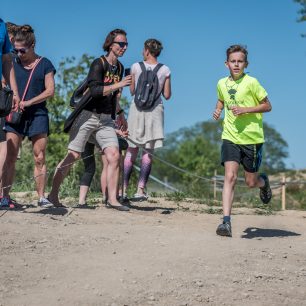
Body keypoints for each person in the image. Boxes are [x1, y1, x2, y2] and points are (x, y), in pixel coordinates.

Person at [48, 29, 131, 211]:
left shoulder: (119, 67)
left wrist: (121, 114)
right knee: (73, 156)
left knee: (114, 155)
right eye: (121, 44)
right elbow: (94, 91)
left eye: (126, 44)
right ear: (110, 44)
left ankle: (112, 199)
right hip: (87, 115)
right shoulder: (98, 64)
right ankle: (53, 195)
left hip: (105, 119)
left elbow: (114, 96)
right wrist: (119, 84)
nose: (124, 47)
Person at [213, 44, 272, 237]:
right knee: (230, 176)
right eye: (233, 61)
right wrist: (218, 109)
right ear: (226, 64)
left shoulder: (252, 82)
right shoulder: (221, 83)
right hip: (230, 136)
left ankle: (264, 183)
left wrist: (245, 109)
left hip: (252, 139)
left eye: (240, 61)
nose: (236, 64)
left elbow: (267, 105)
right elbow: (222, 98)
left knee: (250, 182)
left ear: (246, 64)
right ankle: (226, 222)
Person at [2, 25, 56, 208]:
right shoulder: (12, 63)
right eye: (15, 50)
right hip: (15, 114)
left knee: (39, 156)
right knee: (10, 156)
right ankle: (5, 197)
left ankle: (41, 197)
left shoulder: (45, 64)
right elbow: (4, 80)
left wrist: (29, 102)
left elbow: (50, 91)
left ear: (33, 45)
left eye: (22, 50)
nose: (18, 54)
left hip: (38, 114)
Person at [123, 38, 171, 201]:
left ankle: (123, 188)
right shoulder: (165, 69)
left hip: (137, 109)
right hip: (155, 111)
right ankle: (140, 189)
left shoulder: (136, 67)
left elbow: (131, 91)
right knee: (148, 151)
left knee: (131, 149)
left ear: (147, 51)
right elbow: (167, 95)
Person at [0, 19, 20, 208]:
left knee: (3, 145)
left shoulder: (1, 25)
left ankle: (1, 194)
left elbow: (6, 60)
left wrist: (14, 92)